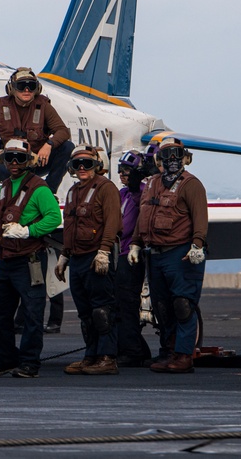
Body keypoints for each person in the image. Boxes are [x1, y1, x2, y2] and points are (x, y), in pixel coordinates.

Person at [0, 139, 63, 378]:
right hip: (6, 258)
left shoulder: (40, 188)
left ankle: (29, 362)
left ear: (28, 161)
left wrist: (28, 231)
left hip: (30, 260)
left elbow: (53, 218)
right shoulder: (4, 187)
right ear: (4, 160)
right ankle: (6, 359)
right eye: (10, 158)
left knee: (32, 313)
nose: (14, 163)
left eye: (19, 158)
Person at [131, 137, 208, 374]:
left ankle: (184, 355)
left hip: (180, 253)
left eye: (176, 153)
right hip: (154, 255)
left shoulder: (191, 184)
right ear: (159, 159)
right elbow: (143, 216)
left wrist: (197, 245)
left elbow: (200, 218)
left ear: (184, 156)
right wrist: (135, 244)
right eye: (167, 154)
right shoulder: (152, 183)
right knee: (162, 307)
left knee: (182, 304)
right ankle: (169, 352)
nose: (172, 159)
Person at [56, 145, 122, 375]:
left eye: (87, 163)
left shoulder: (106, 188)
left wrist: (104, 251)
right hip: (78, 259)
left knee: (102, 310)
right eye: (77, 164)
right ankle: (91, 356)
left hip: (96, 256)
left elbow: (113, 222)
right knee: (85, 312)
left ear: (96, 165)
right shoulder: (73, 192)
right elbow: (70, 227)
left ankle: (107, 358)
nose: (82, 168)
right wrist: (64, 255)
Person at [0, 67, 74, 192]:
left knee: (67, 147)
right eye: (21, 86)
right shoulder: (2, 106)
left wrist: (49, 145)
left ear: (37, 88)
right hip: (12, 161)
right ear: (12, 88)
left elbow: (62, 131)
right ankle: (12, 194)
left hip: (36, 160)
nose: (26, 90)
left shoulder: (43, 107)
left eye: (31, 86)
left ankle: (48, 190)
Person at [115, 150, 153, 367]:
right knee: (118, 304)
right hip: (118, 255)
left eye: (127, 170)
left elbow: (126, 225)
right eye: (120, 170)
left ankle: (133, 351)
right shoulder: (123, 194)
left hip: (130, 257)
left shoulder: (143, 195)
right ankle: (133, 347)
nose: (122, 174)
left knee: (127, 304)